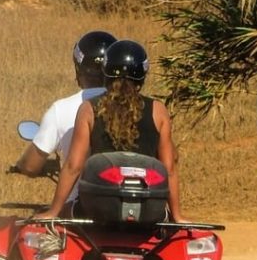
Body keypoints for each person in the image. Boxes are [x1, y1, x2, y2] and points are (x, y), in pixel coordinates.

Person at [35, 39, 185, 222]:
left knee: (64, 211)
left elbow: (74, 166)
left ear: (105, 72)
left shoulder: (89, 109)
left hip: (96, 208)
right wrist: (177, 215)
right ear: (143, 75)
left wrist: (54, 211)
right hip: (149, 211)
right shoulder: (158, 111)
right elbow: (169, 169)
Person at [14, 30, 117, 184]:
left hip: (79, 204)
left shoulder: (61, 110)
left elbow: (30, 166)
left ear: (78, 69)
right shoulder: (139, 107)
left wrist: (20, 165)